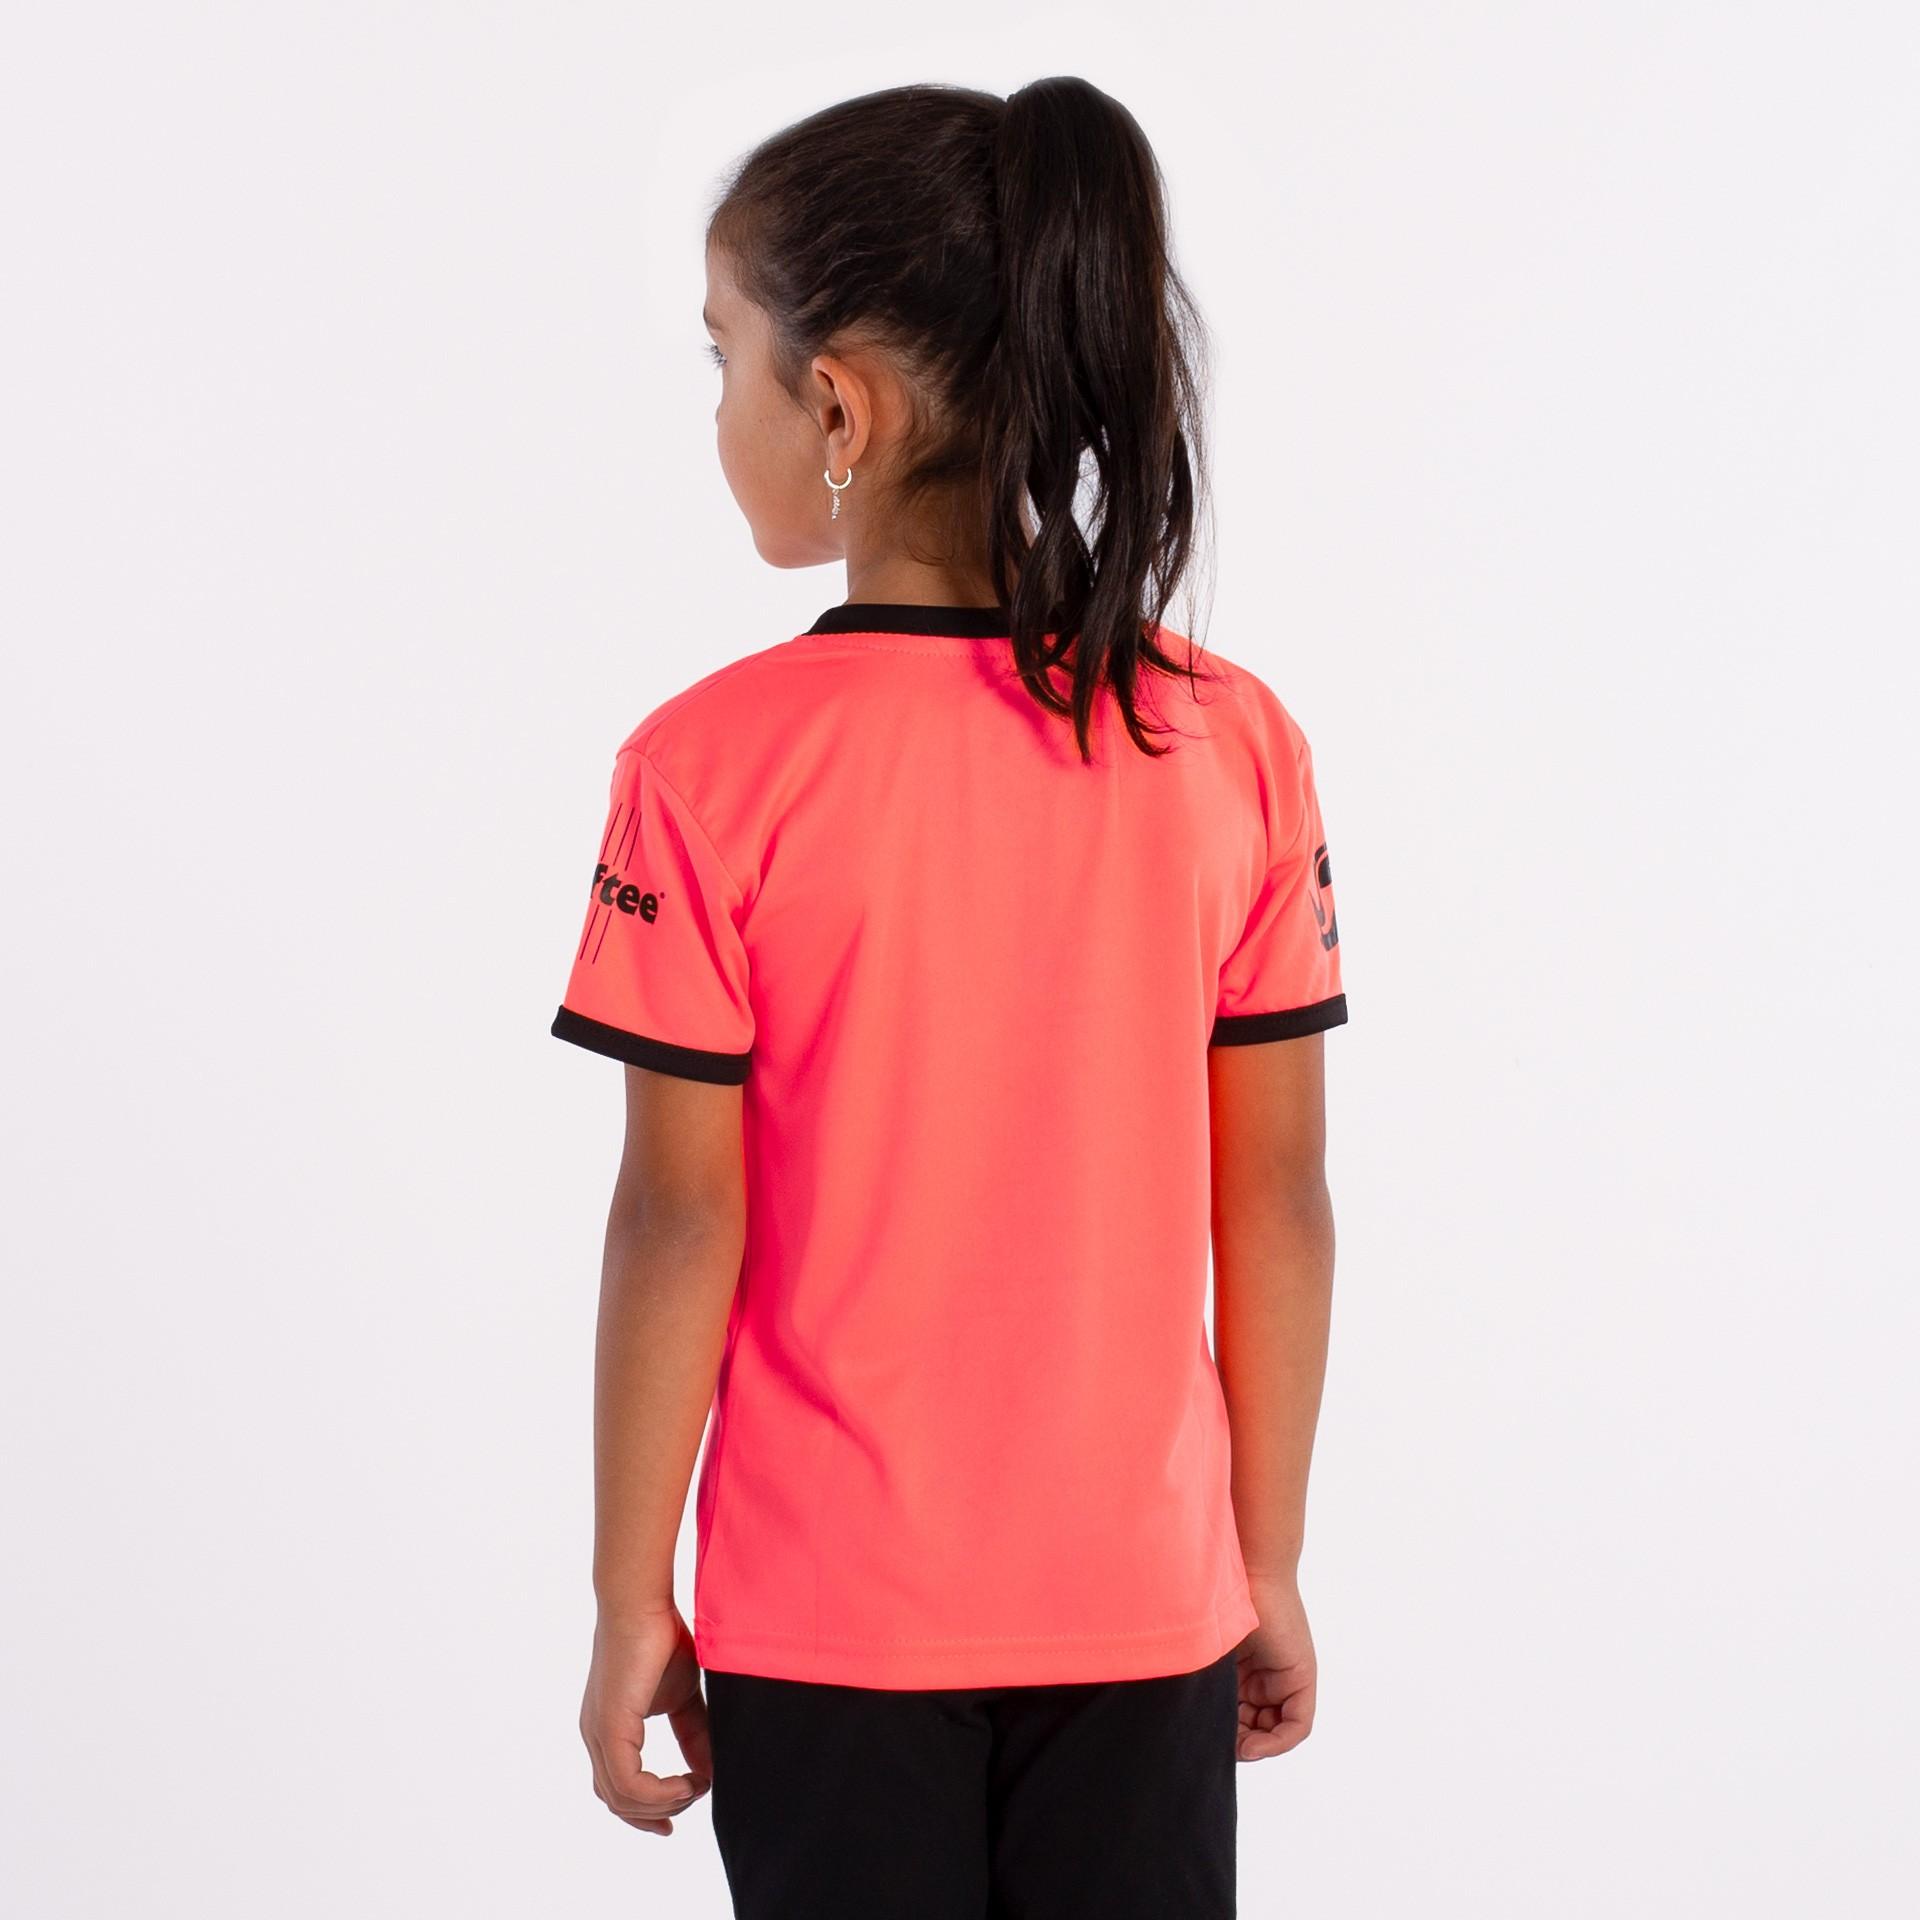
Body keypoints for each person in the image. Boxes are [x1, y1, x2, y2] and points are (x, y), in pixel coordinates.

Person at [549, 74, 1348, 1919]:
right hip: (1144, 1602)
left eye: (727, 359)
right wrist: (1265, 1559)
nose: (720, 409)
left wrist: (625, 1594)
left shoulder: (709, 768)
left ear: (838, 407)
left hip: (827, 1622)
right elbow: (1279, 1197)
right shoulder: (1233, 744)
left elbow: (678, 1216)